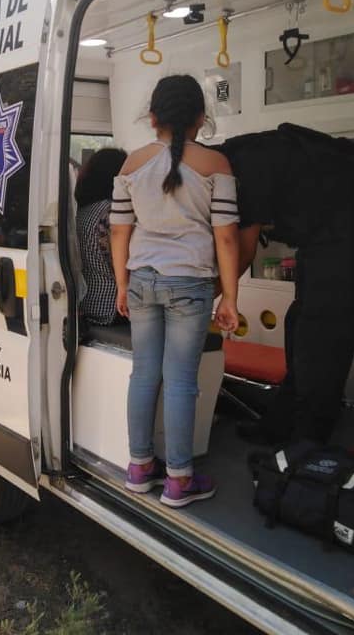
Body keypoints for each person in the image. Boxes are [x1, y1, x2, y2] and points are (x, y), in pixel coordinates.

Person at [110, 75, 240, 508]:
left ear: (153, 118)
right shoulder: (217, 165)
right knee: (182, 380)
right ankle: (179, 480)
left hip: (142, 279)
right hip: (189, 283)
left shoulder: (130, 166)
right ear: (201, 118)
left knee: (144, 374)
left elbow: (119, 232)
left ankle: (139, 467)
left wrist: (123, 284)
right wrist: (230, 298)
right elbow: (226, 237)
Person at [216, 123, 354, 445]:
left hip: (346, 232)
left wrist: (211, 296)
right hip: (319, 236)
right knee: (298, 324)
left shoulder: (242, 173)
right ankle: (281, 425)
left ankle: (308, 444)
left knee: (321, 336)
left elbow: (241, 251)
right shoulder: (232, 158)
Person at [75, 148, 128, 326]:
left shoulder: (80, 211)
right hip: (116, 307)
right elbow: (121, 261)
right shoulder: (113, 212)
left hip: (86, 303)